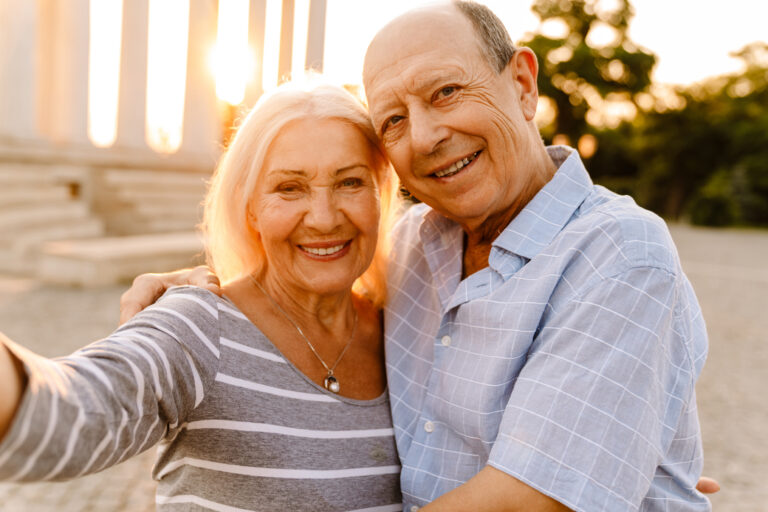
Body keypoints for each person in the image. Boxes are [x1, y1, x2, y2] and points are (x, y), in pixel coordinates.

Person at [120, 1, 719, 510]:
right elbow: (317, 304)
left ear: (523, 84)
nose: (428, 136)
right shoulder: (413, 247)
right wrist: (212, 291)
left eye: (447, 92)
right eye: (395, 120)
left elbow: (530, 499)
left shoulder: (619, 254)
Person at [0, 82, 404, 511]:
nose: (324, 218)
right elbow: (71, 411)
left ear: (380, 193)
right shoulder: (199, 324)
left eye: (350, 182)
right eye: (289, 188)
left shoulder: (405, 328)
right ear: (250, 206)